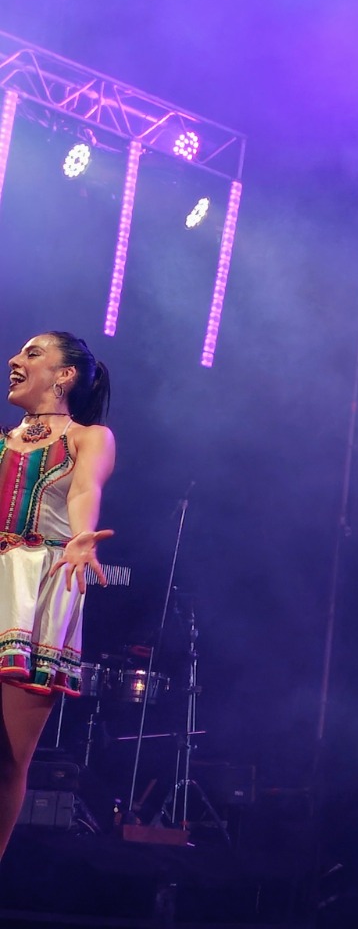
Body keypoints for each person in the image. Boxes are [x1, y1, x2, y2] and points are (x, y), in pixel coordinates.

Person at [1, 332, 115, 858]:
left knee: (7, 757)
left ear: (64, 376)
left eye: (32, 353)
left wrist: (80, 536)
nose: (14, 361)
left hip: (40, 588)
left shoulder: (89, 437)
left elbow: (86, 488)